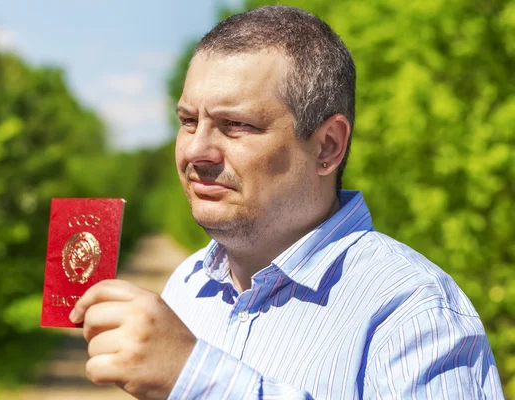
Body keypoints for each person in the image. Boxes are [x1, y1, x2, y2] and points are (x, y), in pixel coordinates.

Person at [70, 5, 504, 399]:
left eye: (235, 124)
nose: (196, 151)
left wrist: (198, 379)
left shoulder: (414, 312)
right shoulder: (186, 286)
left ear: (328, 147)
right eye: (188, 121)